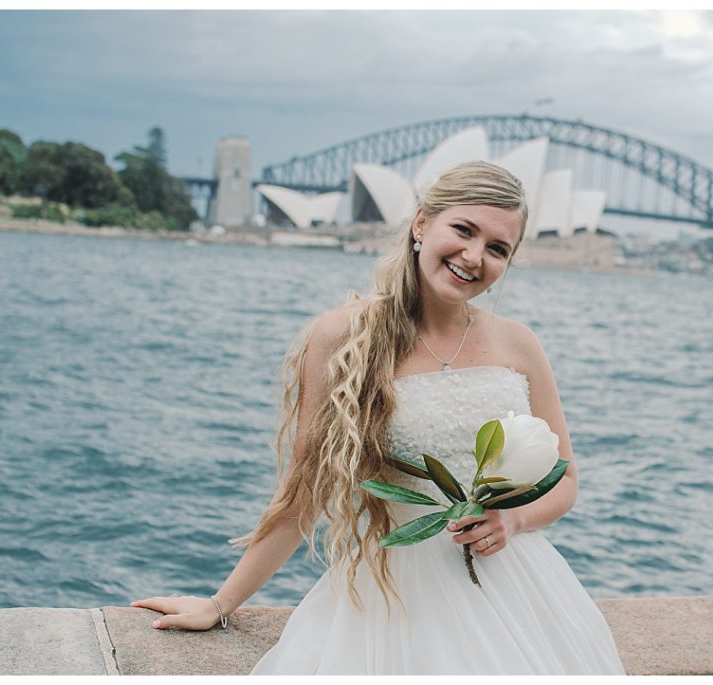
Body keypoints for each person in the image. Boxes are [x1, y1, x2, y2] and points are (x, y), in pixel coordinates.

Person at [130, 160, 625, 675]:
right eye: (463, 230)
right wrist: (218, 604)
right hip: (398, 594)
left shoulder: (518, 342)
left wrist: (512, 518)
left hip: (520, 587)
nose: (474, 256)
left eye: (497, 248)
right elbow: (304, 493)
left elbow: (564, 479)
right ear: (420, 224)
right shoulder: (342, 339)